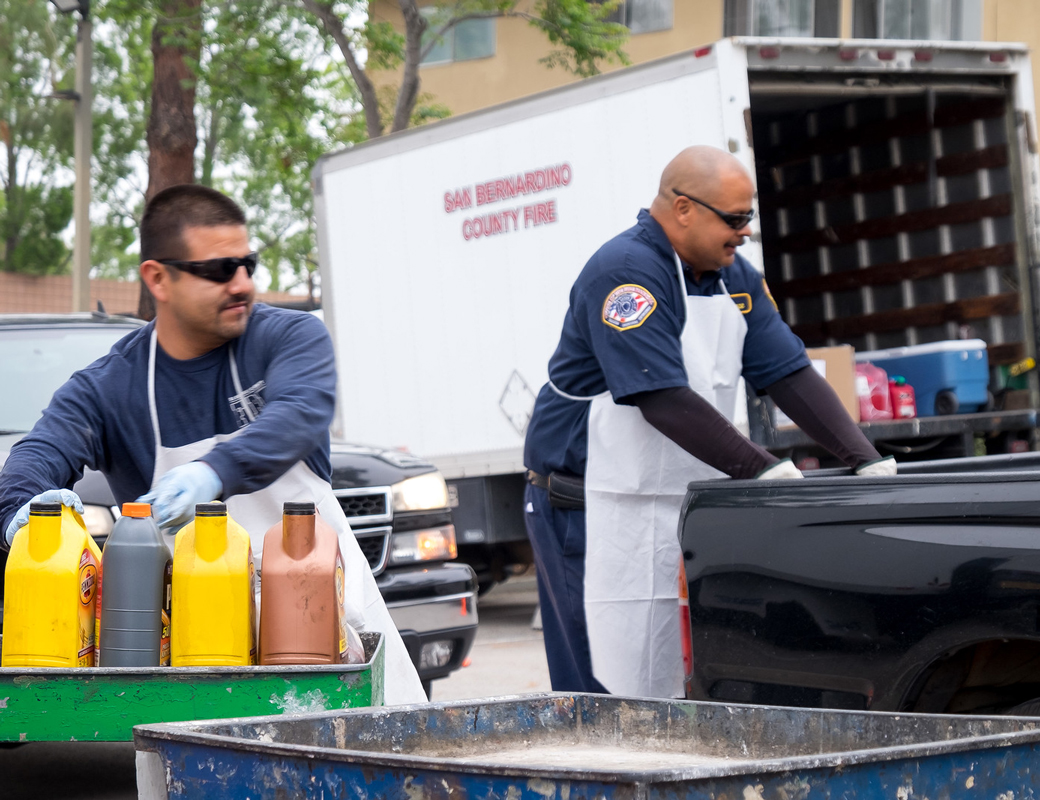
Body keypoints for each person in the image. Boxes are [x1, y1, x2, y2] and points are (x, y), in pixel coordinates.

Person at [0, 184, 426, 705]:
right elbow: (35, 456)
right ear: (158, 278)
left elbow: (297, 414)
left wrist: (211, 473)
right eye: (220, 270)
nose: (242, 284)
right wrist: (21, 511)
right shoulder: (109, 388)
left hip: (331, 640)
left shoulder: (289, 340)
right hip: (192, 661)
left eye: (247, 264)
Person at [523, 145, 896, 699]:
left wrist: (865, 459)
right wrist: (765, 471)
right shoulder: (627, 273)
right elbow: (659, 395)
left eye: (749, 219)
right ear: (682, 209)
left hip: (678, 506)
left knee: (680, 684)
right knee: (605, 689)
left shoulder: (731, 276)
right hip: (586, 511)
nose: (745, 232)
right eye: (735, 218)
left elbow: (787, 372)